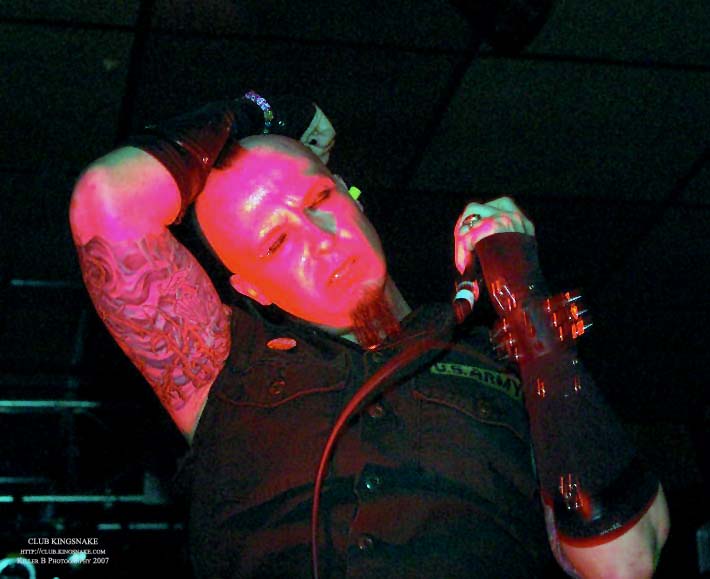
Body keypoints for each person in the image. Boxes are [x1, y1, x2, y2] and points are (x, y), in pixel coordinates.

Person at [69, 94, 669, 578]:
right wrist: (259, 111)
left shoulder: (498, 358)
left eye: (318, 198)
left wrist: (527, 307)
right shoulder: (221, 368)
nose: (320, 238)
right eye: (276, 243)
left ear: (351, 193)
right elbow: (107, 200)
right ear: (252, 289)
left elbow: (626, 563)